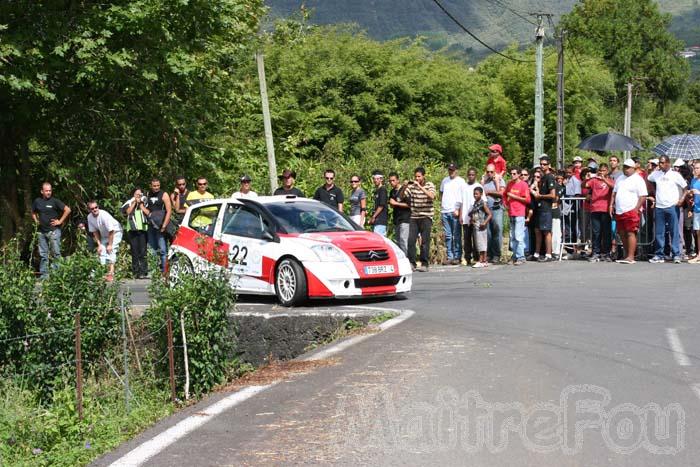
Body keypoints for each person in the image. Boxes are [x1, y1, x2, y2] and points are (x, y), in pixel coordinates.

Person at [647, 155, 688, 263]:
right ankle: (659, 255)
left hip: (672, 206)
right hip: (659, 207)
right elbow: (648, 178)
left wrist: (682, 199)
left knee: (674, 232)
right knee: (659, 232)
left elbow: (685, 188)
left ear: (668, 163)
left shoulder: (675, 175)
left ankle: (676, 254)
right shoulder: (656, 174)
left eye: (662, 162)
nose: (660, 164)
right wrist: (651, 169)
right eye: (659, 162)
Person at [611, 159, 648, 264]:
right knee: (622, 233)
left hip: (631, 210)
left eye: (628, 167)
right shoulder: (620, 178)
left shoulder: (638, 179)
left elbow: (643, 196)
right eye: (624, 167)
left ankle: (631, 256)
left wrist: (636, 208)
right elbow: (614, 192)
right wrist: (611, 205)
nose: (625, 169)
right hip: (619, 210)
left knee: (630, 233)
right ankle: (627, 255)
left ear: (633, 168)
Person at [32, 182, 71, 278]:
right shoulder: (37, 201)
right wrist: (36, 221)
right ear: (42, 191)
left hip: (53, 231)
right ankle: (44, 276)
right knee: (43, 254)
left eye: (50, 190)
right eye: (46, 191)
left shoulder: (55, 201)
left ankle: (55, 275)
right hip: (41, 232)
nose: (49, 192)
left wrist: (60, 221)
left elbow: (68, 210)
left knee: (56, 253)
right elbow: (33, 212)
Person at [406, 167, 436, 272]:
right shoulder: (412, 187)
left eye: (419, 176)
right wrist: (405, 186)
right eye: (416, 177)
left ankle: (424, 263)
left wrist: (420, 187)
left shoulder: (429, 185)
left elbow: (432, 196)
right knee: (410, 240)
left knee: (424, 241)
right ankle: (412, 262)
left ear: (424, 176)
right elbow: (401, 197)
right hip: (414, 216)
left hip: (426, 216)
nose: (417, 178)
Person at [583, 163, 614, 262]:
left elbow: (613, 186)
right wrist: (586, 179)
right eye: (600, 170)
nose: (601, 172)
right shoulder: (594, 180)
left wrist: (604, 179)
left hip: (605, 209)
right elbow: (584, 185)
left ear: (607, 171)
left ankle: (606, 253)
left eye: (604, 170)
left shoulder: (610, 180)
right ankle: (596, 252)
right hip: (595, 209)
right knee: (596, 232)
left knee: (606, 232)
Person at [86, 200, 123, 282]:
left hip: (116, 232)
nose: (95, 209)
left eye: (96, 207)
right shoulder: (89, 217)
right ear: (89, 210)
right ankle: (103, 272)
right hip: (105, 235)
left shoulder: (104, 215)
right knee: (102, 251)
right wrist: (99, 245)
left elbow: (111, 231)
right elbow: (95, 232)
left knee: (111, 250)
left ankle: (111, 273)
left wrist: (110, 245)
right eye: (92, 208)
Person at [143, 178, 172, 274]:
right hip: (151, 225)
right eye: (154, 186)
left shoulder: (164, 194)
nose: (156, 188)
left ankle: (165, 271)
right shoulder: (147, 194)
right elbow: (146, 210)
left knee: (163, 249)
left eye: (158, 185)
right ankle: (154, 272)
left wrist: (164, 225)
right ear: (151, 186)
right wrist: (142, 207)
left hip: (160, 225)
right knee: (152, 249)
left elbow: (169, 211)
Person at [439, 163, 465, 265]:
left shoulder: (461, 181)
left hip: (455, 210)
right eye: (450, 170)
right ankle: (450, 256)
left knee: (456, 235)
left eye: (453, 170)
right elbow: (441, 192)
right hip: (445, 211)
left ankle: (457, 256)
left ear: (456, 170)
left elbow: (463, 196)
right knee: (448, 235)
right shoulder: (444, 180)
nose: (451, 172)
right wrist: (442, 204)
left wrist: (458, 209)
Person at [532, 154, 556, 262]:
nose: (542, 166)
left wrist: (540, 196)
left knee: (546, 231)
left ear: (549, 165)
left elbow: (553, 195)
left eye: (544, 164)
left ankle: (548, 254)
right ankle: (536, 253)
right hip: (539, 207)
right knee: (537, 230)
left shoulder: (550, 177)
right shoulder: (542, 177)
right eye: (541, 164)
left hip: (546, 208)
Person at [122, 187, 149, 279]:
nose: (139, 196)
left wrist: (141, 204)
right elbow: (128, 212)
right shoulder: (129, 202)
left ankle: (144, 271)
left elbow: (148, 211)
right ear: (133, 195)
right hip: (132, 229)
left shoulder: (144, 200)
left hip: (142, 228)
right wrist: (134, 203)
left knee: (143, 251)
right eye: (137, 194)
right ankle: (135, 271)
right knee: (134, 251)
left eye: (140, 194)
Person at [505, 167, 530, 265]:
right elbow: (504, 194)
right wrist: (505, 203)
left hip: (519, 213)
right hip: (511, 212)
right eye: (511, 173)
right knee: (513, 236)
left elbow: (527, 200)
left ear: (519, 174)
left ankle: (521, 256)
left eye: (514, 173)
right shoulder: (510, 184)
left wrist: (514, 197)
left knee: (519, 235)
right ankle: (515, 255)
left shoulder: (523, 185)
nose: (512, 175)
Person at [458, 168, 482, 265]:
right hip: (465, 216)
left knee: (476, 237)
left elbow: (481, 202)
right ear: (467, 175)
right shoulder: (463, 186)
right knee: (467, 238)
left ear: (475, 175)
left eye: (473, 175)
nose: (471, 176)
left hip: (476, 217)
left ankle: (476, 258)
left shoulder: (479, 186)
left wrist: (476, 216)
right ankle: (467, 257)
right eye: (469, 175)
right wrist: (460, 215)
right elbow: (461, 202)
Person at [482, 164, 504, 263]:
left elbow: (501, 194)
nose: (489, 174)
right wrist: (482, 183)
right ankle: (489, 254)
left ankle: (496, 254)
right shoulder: (484, 182)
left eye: (492, 172)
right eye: (488, 172)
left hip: (496, 209)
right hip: (486, 209)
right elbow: (479, 193)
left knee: (497, 231)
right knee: (488, 233)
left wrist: (490, 190)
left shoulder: (499, 180)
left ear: (495, 172)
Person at [469, 187, 492, 268]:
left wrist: (484, 223)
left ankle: (482, 260)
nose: (475, 195)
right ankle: (483, 260)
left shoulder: (483, 203)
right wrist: (471, 219)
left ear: (481, 194)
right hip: (476, 226)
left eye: (477, 194)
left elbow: (489, 214)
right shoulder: (475, 203)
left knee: (482, 243)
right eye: (474, 194)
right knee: (479, 244)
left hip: (481, 226)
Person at [388, 172, 411, 254]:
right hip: (396, 219)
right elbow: (392, 205)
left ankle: (407, 260)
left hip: (405, 219)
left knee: (403, 240)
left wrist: (396, 203)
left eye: (393, 180)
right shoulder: (392, 192)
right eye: (390, 181)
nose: (391, 182)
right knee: (397, 241)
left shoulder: (405, 190)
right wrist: (392, 204)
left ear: (398, 180)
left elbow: (409, 205)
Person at [368, 171, 388, 236]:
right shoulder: (376, 191)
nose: (375, 180)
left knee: (379, 240)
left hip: (381, 220)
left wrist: (373, 217)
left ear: (381, 179)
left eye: (377, 178)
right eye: (374, 178)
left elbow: (381, 205)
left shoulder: (383, 190)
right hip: (376, 221)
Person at [689, 162, 700, 264]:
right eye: (695, 168)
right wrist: (691, 194)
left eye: (698, 168)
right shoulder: (693, 180)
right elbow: (691, 194)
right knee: (697, 232)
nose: (696, 170)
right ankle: (699, 255)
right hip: (696, 209)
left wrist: (698, 193)